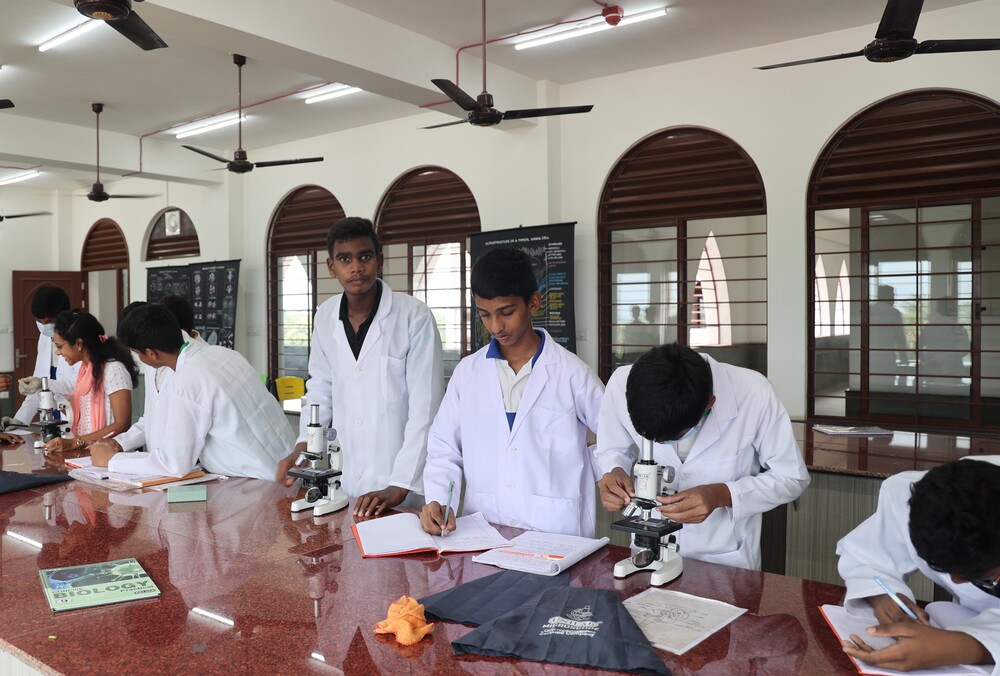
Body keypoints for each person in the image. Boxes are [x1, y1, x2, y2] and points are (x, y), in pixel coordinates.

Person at [419, 248, 604, 538]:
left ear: (533, 303)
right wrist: (439, 501)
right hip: (484, 529)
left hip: (556, 532)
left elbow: (614, 438)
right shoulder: (468, 373)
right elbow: (444, 448)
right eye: (485, 315)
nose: (496, 326)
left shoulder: (572, 373)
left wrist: (606, 469)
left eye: (506, 313)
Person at [275, 216, 444, 515]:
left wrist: (401, 483)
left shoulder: (413, 317)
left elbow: (426, 409)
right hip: (345, 479)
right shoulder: (325, 317)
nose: (356, 267)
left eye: (365, 257)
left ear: (379, 260)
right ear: (331, 267)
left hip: (398, 485)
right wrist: (303, 446)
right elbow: (320, 390)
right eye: (345, 259)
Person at [595, 342, 810, 570]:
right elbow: (613, 449)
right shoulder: (622, 383)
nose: (660, 445)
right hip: (647, 550)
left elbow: (791, 478)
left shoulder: (754, 393)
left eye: (670, 438)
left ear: (709, 404)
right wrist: (613, 470)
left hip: (722, 560)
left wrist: (722, 494)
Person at [90, 304, 294, 479]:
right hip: (288, 467)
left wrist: (113, 461)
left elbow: (174, 463)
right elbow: (154, 420)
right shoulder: (224, 354)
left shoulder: (187, 379)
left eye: (137, 353)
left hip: (257, 480)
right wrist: (120, 444)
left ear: (151, 354)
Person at [836, 457, 999, 672]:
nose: (956, 582)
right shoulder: (916, 501)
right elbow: (867, 559)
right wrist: (885, 597)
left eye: (987, 578)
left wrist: (957, 647)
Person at [104, 297, 204, 454]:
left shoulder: (197, 365)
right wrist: (118, 443)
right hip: (158, 459)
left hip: (188, 459)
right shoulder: (154, 358)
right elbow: (150, 417)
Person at [38, 311, 138, 454]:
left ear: (79, 344)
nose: (57, 353)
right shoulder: (85, 371)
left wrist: (76, 442)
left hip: (108, 454)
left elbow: (122, 424)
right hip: (86, 452)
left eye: (59, 346)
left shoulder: (114, 369)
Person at [0, 285, 80, 431]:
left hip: (77, 416)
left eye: (48, 322)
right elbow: (37, 391)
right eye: (39, 321)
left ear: (63, 316)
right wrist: (18, 421)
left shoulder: (80, 340)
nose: (44, 326)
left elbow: (80, 387)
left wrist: (44, 384)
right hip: (52, 416)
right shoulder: (44, 337)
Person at [869, 284, 909, 389]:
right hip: (886, 359)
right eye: (893, 295)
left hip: (869, 358)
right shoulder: (893, 312)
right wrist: (904, 357)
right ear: (888, 296)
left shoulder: (868, 310)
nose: (894, 299)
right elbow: (900, 339)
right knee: (887, 387)